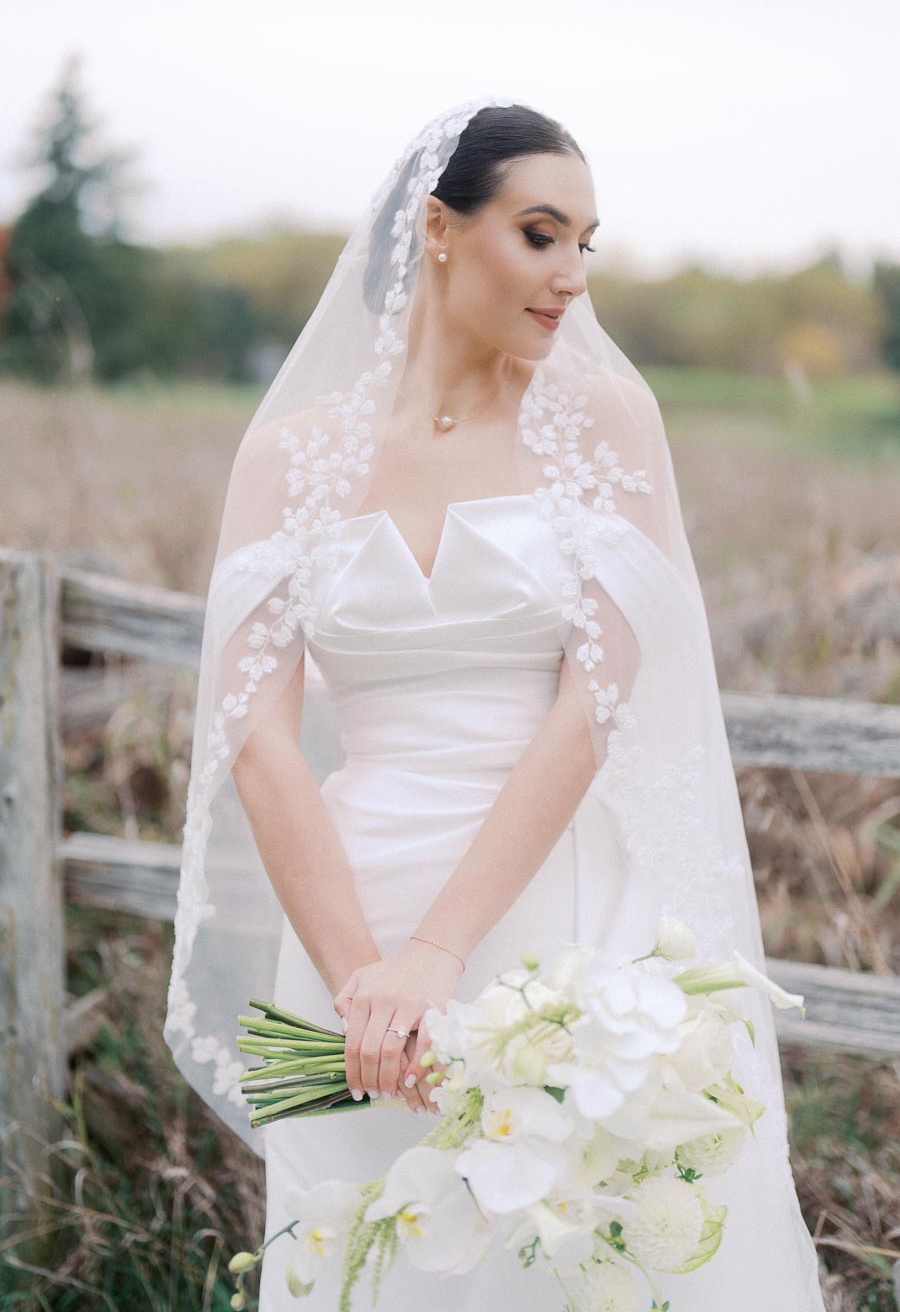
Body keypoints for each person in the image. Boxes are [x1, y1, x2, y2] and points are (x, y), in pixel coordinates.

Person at [163, 97, 827, 1309]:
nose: (572, 275)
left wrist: (436, 953)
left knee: (568, 1253)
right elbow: (255, 731)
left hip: (556, 908)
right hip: (349, 920)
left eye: (587, 243)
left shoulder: (603, 425)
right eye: (540, 233)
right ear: (438, 229)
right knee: (375, 1246)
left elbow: (597, 704)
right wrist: (362, 972)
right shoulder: (292, 456)